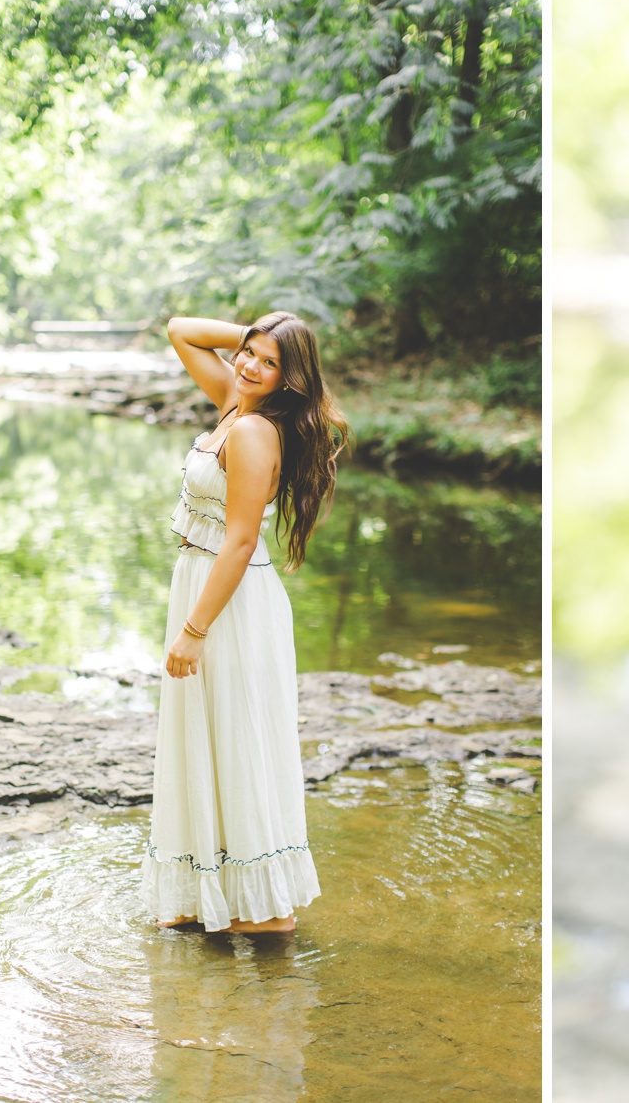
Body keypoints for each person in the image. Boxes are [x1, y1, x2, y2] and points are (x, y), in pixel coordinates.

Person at [141, 312, 350, 934]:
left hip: (228, 599)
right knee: (203, 734)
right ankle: (205, 890)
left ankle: (268, 912)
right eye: (248, 353)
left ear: (291, 378)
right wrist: (264, 338)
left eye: (269, 363)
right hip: (203, 584)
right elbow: (180, 330)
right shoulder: (236, 404)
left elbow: (238, 540)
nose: (250, 366)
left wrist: (194, 631)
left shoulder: (255, 430)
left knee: (238, 736)